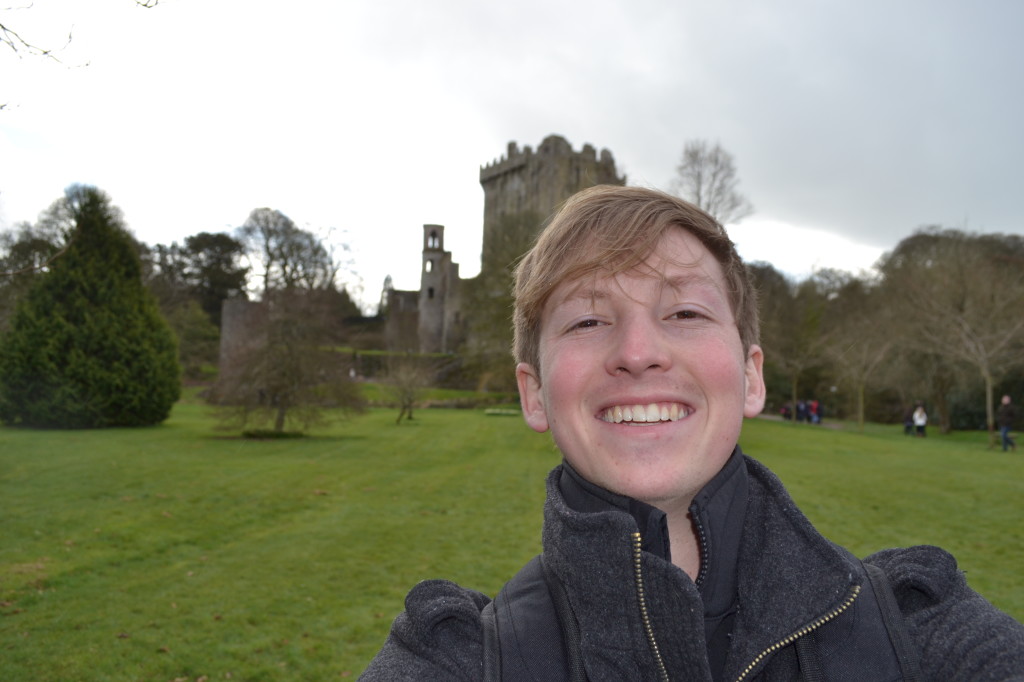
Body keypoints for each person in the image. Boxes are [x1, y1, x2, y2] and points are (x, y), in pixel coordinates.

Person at [360, 186, 1024, 681]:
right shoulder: (457, 659)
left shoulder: (917, 628)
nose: (640, 349)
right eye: (589, 321)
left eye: (684, 310)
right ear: (534, 393)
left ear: (751, 376)